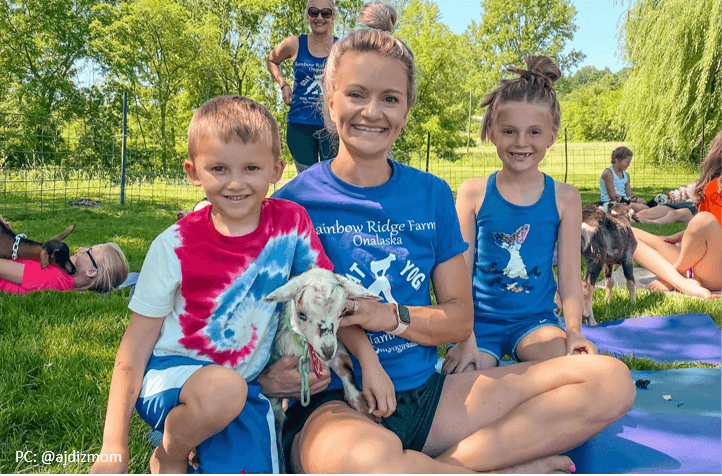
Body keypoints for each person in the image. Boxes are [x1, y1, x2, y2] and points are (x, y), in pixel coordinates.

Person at [267, 25, 635, 473]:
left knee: (611, 381)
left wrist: (390, 315)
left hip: (429, 399)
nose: (372, 112)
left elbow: (459, 317)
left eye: (390, 98)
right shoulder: (290, 204)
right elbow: (249, 320)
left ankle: (449, 464)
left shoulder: (432, 194)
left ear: (406, 109)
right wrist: (268, 378)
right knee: (364, 461)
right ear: (330, 101)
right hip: (335, 407)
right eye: (356, 94)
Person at [90, 96, 385, 474]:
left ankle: (205, 442)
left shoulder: (290, 225)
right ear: (194, 172)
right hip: (172, 375)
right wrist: (112, 449)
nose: (235, 182)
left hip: (245, 391)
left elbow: (322, 293)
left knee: (235, 404)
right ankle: (171, 451)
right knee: (223, 389)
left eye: (251, 167)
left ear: (277, 169)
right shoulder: (173, 246)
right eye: (218, 168)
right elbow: (132, 354)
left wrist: (363, 359)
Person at [442, 57, 595, 374]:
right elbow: (459, 272)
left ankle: (509, 384)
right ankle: (506, 382)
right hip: (478, 326)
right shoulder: (473, 193)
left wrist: (574, 332)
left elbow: (568, 276)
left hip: (536, 325)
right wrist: (464, 335)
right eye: (509, 131)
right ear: (492, 132)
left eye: (534, 132)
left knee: (580, 370)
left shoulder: (565, 197)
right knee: (458, 383)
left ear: (551, 136)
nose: (521, 142)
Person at [633, 130, 722, 299]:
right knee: (627, 232)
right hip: (705, 263)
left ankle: (674, 279)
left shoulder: (713, 187)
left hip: (711, 271)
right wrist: (681, 234)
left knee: (702, 220)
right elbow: (714, 226)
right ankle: (678, 277)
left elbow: (707, 224)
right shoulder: (712, 187)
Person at [267, 0, 337, 173]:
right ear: (308, 16)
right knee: (308, 179)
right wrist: (283, 85)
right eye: (314, 12)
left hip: (331, 126)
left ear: (332, 17)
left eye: (325, 13)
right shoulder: (294, 44)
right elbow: (271, 60)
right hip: (300, 124)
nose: (319, 17)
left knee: (334, 177)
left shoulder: (341, 47)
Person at [0, 243, 128, 294]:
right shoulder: (61, 274)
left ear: (92, 271)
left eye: (88, 251)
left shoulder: (52, 278)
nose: (81, 249)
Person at [599, 146, 649, 212]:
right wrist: (635, 200)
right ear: (617, 160)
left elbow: (629, 194)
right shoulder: (608, 173)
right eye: (627, 162)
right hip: (610, 203)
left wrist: (635, 200)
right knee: (639, 207)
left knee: (642, 206)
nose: (629, 164)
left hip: (623, 201)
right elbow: (613, 196)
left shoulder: (626, 175)